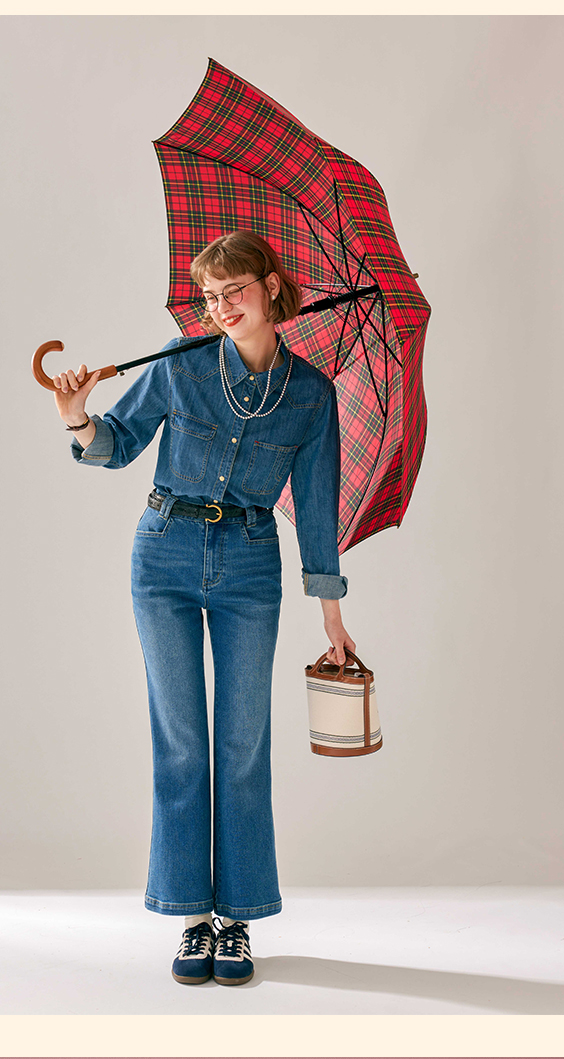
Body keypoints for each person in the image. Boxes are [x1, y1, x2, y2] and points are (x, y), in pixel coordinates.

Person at [51, 230, 355, 987]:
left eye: (234, 290)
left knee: (243, 744)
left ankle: (237, 919)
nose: (220, 307)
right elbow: (118, 444)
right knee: (182, 741)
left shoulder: (310, 395)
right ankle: (192, 915)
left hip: (252, 563)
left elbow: (318, 507)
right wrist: (78, 417)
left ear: (272, 286)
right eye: (210, 296)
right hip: (164, 554)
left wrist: (331, 613)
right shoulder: (181, 362)